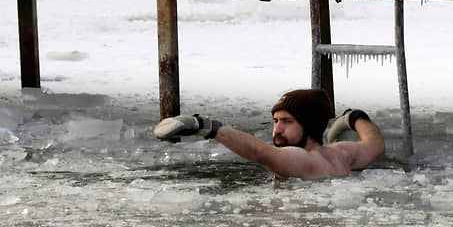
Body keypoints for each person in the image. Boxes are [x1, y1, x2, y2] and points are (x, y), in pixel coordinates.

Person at [153, 88, 385, 181]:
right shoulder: (340, 153)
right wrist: (354, 118)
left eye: (287, 122)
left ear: (310, 125)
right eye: (275, 121)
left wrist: (205, 127)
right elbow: (375, 144)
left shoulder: (303, 159)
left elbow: (259, 152)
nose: (277, 129)